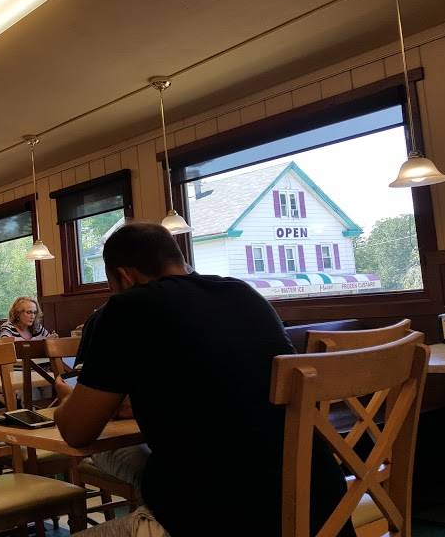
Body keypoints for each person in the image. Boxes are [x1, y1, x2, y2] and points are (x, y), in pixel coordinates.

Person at [54, 222, 352, 537]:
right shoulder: (244, 294)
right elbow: (215, 386)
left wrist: (68, 399)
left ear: (125, 276)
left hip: (224, 517)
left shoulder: (128, 307)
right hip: (320, 504)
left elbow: (76, 432)